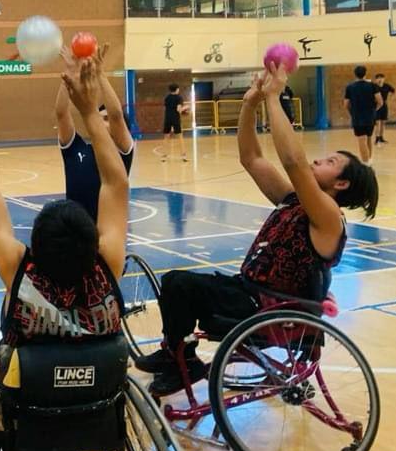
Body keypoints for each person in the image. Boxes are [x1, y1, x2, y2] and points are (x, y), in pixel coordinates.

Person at [135, 67, 378, 396]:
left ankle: (182, 364)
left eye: (330, 162)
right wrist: (250, 104)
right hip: (250, 295)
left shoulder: (329, 216)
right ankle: (176, 354)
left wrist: (274, 97)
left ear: (342, 183)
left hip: (273, 312)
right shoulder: (294, 200)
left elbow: (293, 160)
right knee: (178, 284)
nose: (318, 161)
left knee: (179, 284)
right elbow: (251, 158)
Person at [0, 59, 129, 451]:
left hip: (29, 409)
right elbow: (117, 184)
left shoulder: (19, 269)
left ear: (36, 246)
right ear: (94, 243)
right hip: (97, 403)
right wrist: (90, 113)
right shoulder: (109, 266)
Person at [56, 43, 134, 223]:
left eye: (104, 119)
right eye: (99, 118)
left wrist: (99, 74)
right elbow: (61, 114)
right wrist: (68, 74)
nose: (101, 122)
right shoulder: (76, 149)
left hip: (107, 234)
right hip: (75, 232)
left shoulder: (122, 153)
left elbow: (116, 115)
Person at [343, 65, 383, 165]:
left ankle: (366, 164)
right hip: (370, 117)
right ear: (365, 74)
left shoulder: (350, 87)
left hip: (357, 117)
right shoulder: (372, 86)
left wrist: (352, 112)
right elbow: (380, 102)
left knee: (362, 140)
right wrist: (374, 110)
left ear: (355, 74)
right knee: (369, 138)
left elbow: (346, 104)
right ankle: (369, 160)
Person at [158, 84, 188, 162]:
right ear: (177, 89)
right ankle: (183, 156)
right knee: (180, 137)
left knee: (166, 137)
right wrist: (186, 107)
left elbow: (166, 108)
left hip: (167, 118)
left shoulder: (167, 98)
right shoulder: (179, 98)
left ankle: (163, 157)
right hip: (175, 119)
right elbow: (179, 110)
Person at [374, 73, 395, 144]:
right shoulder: (374, 86)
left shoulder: (387, 86)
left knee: (383, 123)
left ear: (384, 79)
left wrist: (391, 97)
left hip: (384, 106)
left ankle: (381, 137)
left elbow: (393, 91)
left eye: (382, 78)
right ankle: (376, 138)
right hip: (376, 106)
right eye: (378, 78)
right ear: (376, 79)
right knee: (377, 123)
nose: (380, 79)